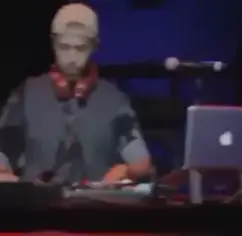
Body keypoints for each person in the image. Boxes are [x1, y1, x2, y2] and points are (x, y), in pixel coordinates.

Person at [0, 3, 152, 184]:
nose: (72, 58)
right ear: (53, 43)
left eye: (80, 48)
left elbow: (141, 161)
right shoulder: (27, 94)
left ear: (95, 46)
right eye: (64, 47)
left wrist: (126, 171)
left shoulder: (114, 99)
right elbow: (4, 149)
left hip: (95, 200)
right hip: (36, 199)